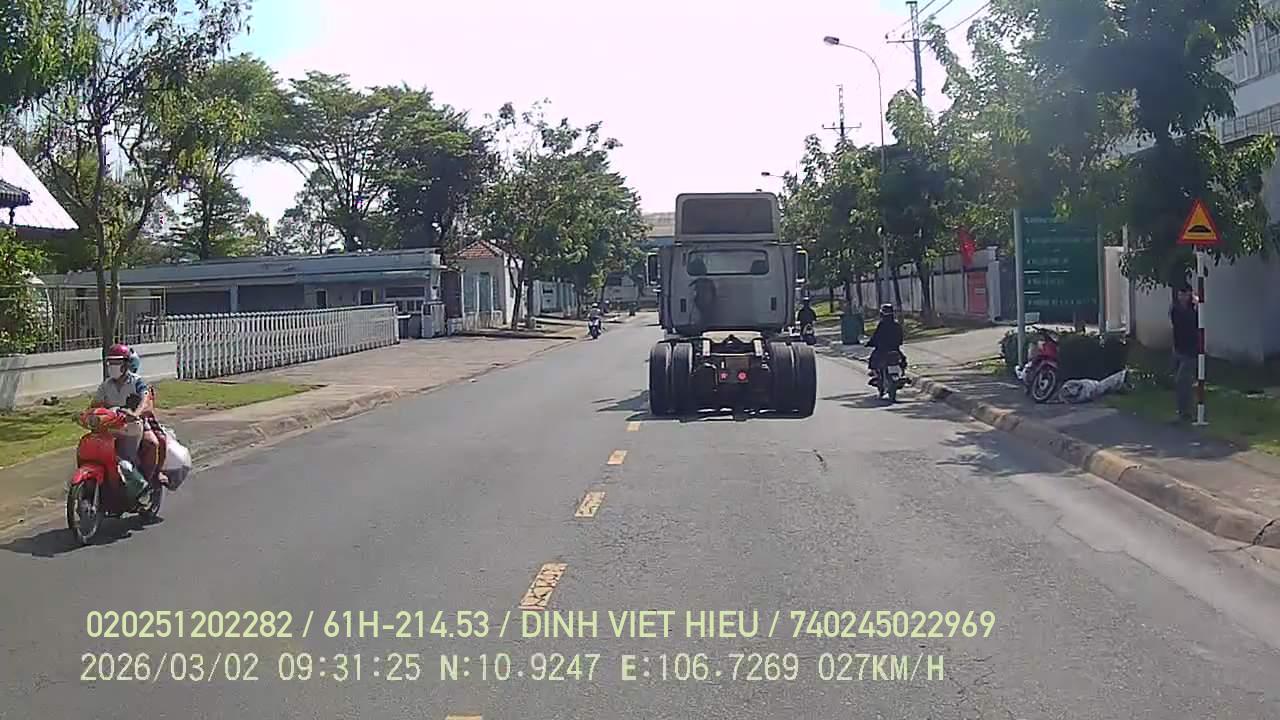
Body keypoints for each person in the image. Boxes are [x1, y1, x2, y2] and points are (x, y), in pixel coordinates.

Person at [90, 343, 159, 492]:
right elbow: (94, 405)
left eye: (117, 362)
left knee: (150, 444)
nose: (113, 366)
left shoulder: (137, 381)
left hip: (134, 424)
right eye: (110, 362)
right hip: (110, 425)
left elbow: (145, 399)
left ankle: (145, 485)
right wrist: (88, 415)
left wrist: (135, 414)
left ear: (126, 364)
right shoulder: (106, 385)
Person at [1170, 281, 1199, 422]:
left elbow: (1194, 324)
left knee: (1182, 380)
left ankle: (1185, 412)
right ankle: (1183, 411)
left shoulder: (1194, 310)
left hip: (1190, 351)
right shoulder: (1175, 310)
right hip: (1178, 349)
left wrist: (1196, 306)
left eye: (1185, 294)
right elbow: (1178, 322)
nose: (1182, 297)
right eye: (1180, 294)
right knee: (1181, 382)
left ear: (1189, 294)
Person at [866, 303, 906, 384]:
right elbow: (900, 338)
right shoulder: (896, 325)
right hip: (894, 348)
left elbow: (876, 336)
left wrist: (870, 343)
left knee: (873, 359)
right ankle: (901, 373)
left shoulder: (882, 325)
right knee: (902, 359)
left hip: (882, 349)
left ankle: (876, 375)